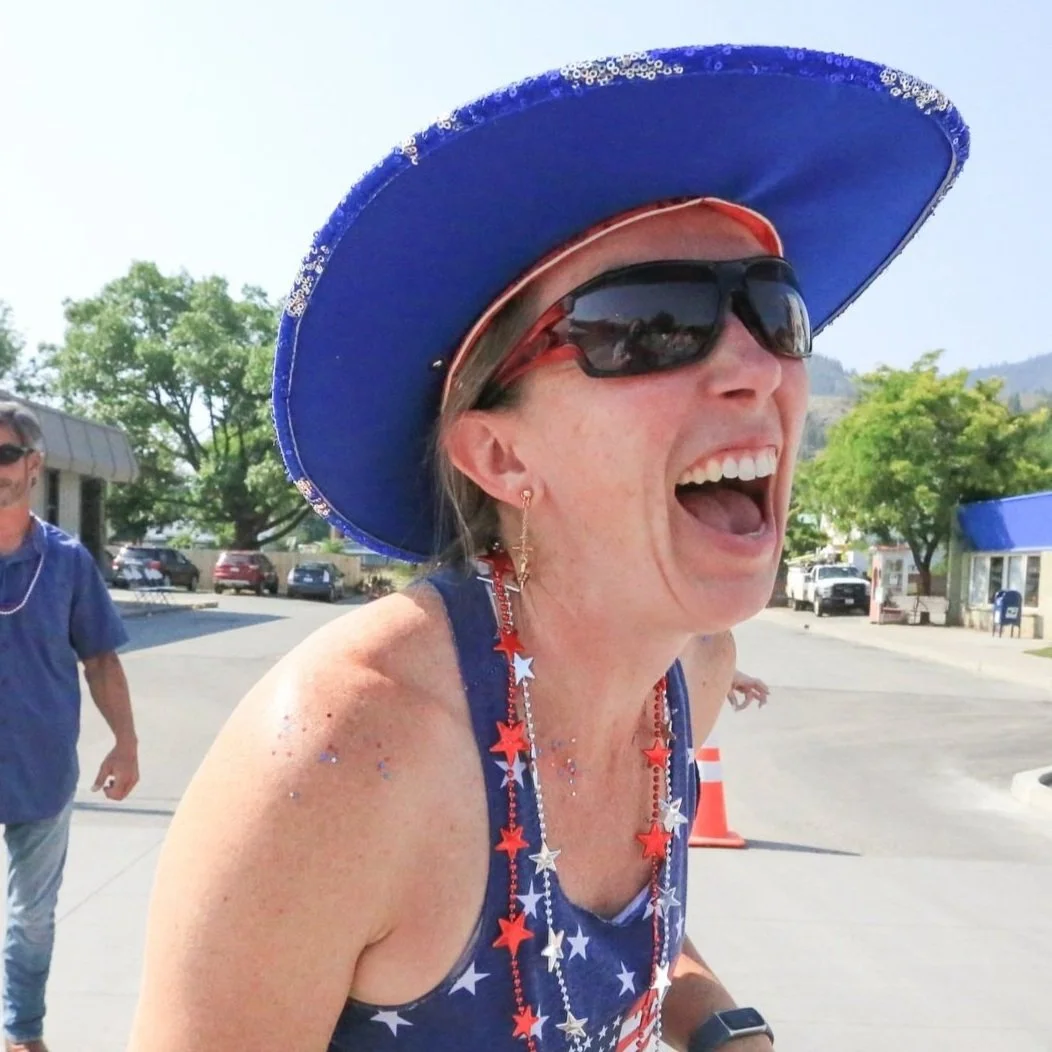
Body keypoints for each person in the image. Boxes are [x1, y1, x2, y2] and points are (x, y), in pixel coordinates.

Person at [130, 45, 967, 1051]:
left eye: (774, 311)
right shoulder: (343, 751)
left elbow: (608, 937)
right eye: (652, 323)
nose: (754, 365)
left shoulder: (687, 675)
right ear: (500, 454)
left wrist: (725, 1027)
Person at [0, 402, 139, 1052]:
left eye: (5, 455)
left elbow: (101, 659)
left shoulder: (65, 561)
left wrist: (125, 744)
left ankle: (22, 1033)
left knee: (31, 916)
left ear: (33, 465)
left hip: (41, 768)